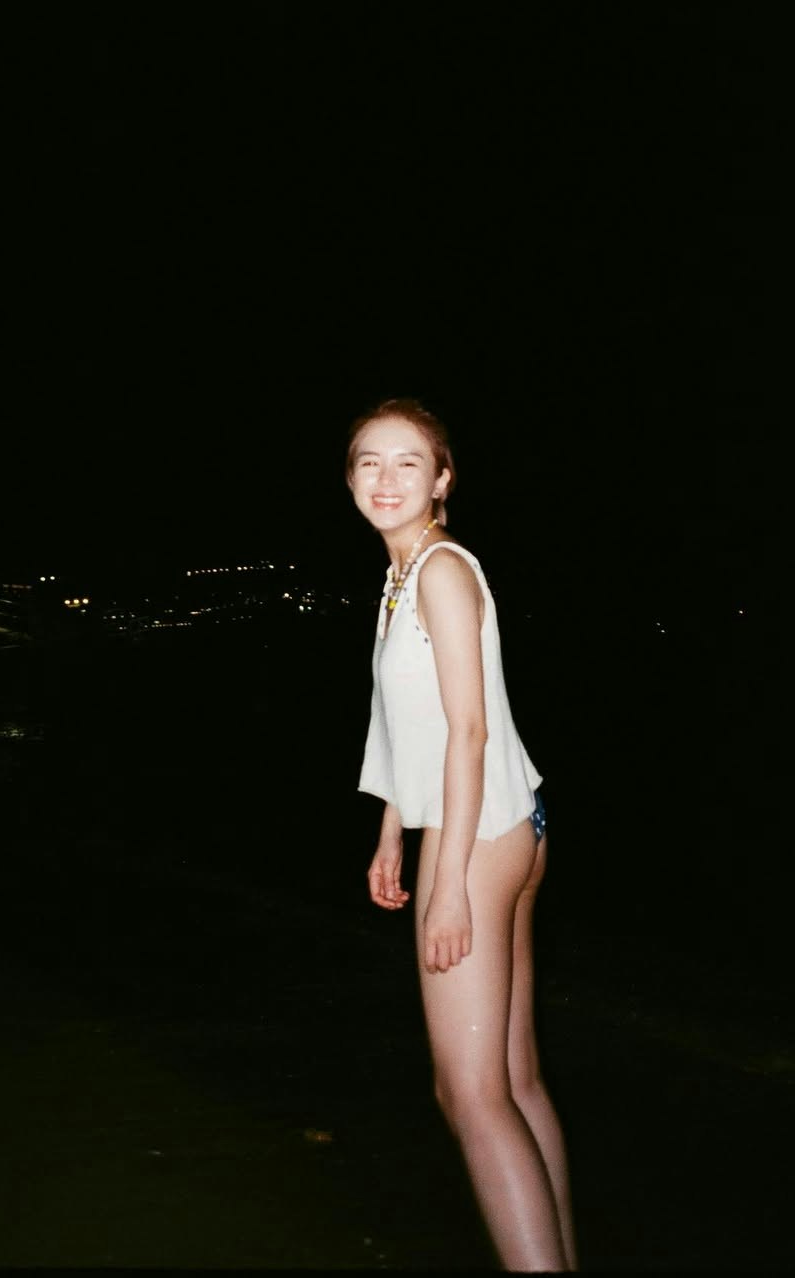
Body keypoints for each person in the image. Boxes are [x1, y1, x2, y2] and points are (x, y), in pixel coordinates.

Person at [346, 396, 578, 1272]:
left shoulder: (440, 571)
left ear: (442, 480)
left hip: (477, 837)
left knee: (470, 1096)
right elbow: (414, 722)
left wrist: (446, 883)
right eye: (369, 461)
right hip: (508, 822)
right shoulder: (404, 574)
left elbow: (469, 731)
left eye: (409, 461)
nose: (386, 478)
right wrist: (391, 829)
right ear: (350, 479)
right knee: (513, 1081)